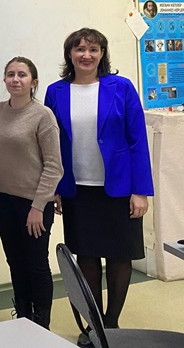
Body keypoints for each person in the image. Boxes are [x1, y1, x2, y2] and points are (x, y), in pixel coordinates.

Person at [44, 28, 153, 341]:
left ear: (102, 54)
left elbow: (137, 140)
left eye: (93, 49)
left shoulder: (121, 87)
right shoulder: (55, 91)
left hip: (118, 187)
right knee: (87, 257)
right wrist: (55, 187)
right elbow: (52, 144)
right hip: (78, 189)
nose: (86, 55)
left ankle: (112, 324)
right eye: (79, 49)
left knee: (119, 256)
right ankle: (96, 326)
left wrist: (140, 190)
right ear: (69, 54)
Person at [0, 57, 63, 329]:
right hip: (3, 201)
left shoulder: (43, 115)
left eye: (22, 75)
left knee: (36, 264)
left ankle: (41, 324)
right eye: (10, 74)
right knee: (15, 263)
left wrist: (38, 206)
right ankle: (23, 319)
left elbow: (54, 166)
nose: (15, 79)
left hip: (34, 204)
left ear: (34, 82)